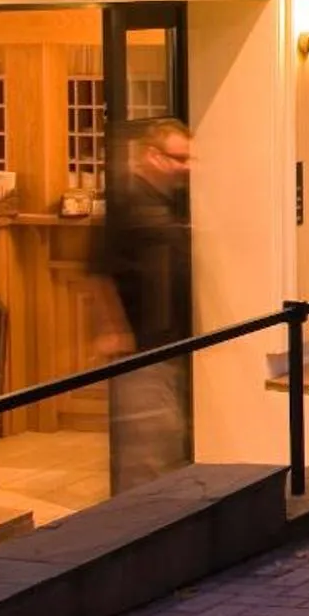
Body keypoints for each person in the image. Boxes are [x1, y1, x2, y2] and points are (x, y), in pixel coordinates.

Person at [92, 116, 194, 493]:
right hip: (139, 347)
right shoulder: (125, 202)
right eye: (178, 158)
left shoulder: (169, 203)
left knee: (166, 439)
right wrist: (114, 328)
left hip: (170, 343)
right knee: (145, 448)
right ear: (153, 155)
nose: (185, 168)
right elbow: (99, 270)